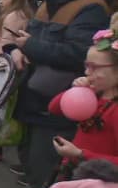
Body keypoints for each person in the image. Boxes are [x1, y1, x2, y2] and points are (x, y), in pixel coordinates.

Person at [0, 0, 112, 188]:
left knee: (47, 163)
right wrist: (16, 49)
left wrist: (31, 46)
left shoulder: (91, 8)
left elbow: (78, 55)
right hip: (34, 95)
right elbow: (27, 37)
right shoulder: (52, 1)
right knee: (32, 159)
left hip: (57, 102)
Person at [48, 25, 118, 173]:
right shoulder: (94, 93)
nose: (87, 72)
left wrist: (80, 154)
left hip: (98, 183)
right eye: (86, 66)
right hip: (74, 170)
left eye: (94, 67)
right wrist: (76, 89)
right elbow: (54, 108)